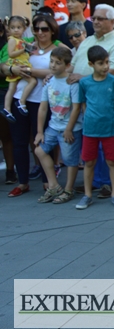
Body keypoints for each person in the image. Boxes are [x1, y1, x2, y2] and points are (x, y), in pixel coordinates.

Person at [5, 15, 60, 197]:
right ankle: (22, 183)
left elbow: (62, 69)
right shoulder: (24, 44)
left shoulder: (58, 48)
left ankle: (48, 181)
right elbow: (4, 65)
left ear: (52, 30)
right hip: (20, 97)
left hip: (42, 101)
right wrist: (11, 69)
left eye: (44, 29)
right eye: (36, 29)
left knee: (44, 141)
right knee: (19, 142)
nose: (39, 32)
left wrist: (29, 71)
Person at [75, 45, 114, 209]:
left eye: (107, 62)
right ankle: (87, 195)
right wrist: (89, 116)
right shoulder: (84, 82)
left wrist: (113, 117)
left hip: (110, 129)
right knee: (89, 162)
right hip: (90, 129)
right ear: (91, 64)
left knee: (113, 161)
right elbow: (83, 103)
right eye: (100, 63)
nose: (105, 66)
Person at [33, 47, 83, 204]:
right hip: (53, 127)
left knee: (70, 160)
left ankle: (69, 190)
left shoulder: (72, 83)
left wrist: (69, 129)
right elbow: (42, 108)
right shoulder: (48, 82)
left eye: (58, 63)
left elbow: (76, 108)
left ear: (67, 65)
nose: (53, 65)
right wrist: (39, 131)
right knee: (39, 151)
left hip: (71, 129)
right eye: (51, 62)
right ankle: (54, 186)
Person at [2, 16, 37, 121]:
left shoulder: (21, 40)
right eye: (13, 27)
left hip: (19, 64)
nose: (16, 30)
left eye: (18, 27)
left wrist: (28, 49)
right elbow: (11, 54)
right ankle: (21, 101)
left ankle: (7, 109)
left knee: (12, 88)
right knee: (32, 81)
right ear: (8, 28)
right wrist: (23, 50)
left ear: (24, 28)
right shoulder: (12, 40)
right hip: (17, 65)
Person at [0, 20, 16, 185]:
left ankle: (10, 171)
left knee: (6, 135)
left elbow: (5, 67)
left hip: (4, 92)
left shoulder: (7, 46)